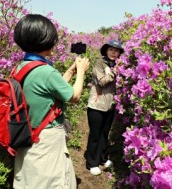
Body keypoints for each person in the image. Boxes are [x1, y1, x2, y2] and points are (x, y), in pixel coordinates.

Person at [12, 14, 89, 189]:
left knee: (29, 179)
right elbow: (74, 96)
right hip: (46, 140)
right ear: (44, 41)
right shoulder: (46, 72)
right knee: (52, 182)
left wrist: (70, 71)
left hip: (26, 133)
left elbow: (51, 90)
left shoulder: (22, 66)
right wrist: (82, 71)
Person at [85, 40, 124, 175]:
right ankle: (92, 162)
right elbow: (101, 82)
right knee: (95, 135)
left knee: (104, 134)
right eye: (111, 50)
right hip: (97, 105)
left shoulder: (119, 65)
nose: (113, 52)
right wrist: (114, 72)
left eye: (116, 50)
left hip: (110, 106)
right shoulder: (99, 64)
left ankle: (102, 158)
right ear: (106, 51)